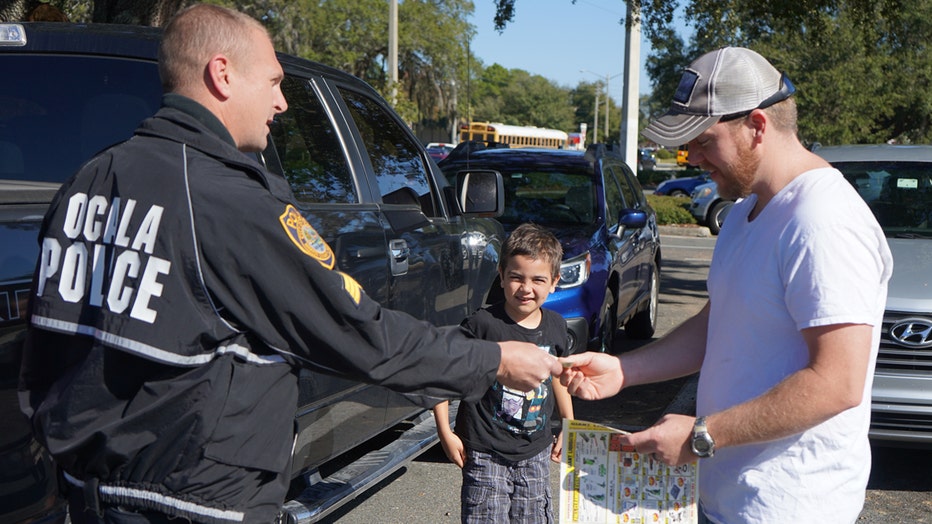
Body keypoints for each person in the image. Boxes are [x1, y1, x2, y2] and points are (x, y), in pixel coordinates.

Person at [17, 5, 561, 524]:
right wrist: (489, 360)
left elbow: (46, 353)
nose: (281, 103)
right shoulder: (231, 202)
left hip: (91, 494)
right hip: (198, 501)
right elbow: (359, 334)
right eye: (275, 82)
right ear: (222, 75)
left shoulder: (90, 179)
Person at [559, 47, 893, 523]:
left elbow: (837, 383)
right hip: (726, 500)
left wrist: (703, 436)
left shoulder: (823, 220)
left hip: (789, 507)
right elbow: (721, 323)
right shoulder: (745, 213)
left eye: (702, 140)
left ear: (757, 126)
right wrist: (623, 369)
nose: (690, 156)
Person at [433, 223, 574, 523]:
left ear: (555, 281)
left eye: (538, 279)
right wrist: (445, 431)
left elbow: (558, 375)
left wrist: (568, 422)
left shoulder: (556, 326)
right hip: (485, 451)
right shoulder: (482, 324)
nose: (526, 288)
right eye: (516, 277)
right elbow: (444, 371)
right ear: (501, 275)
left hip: (536, 451)